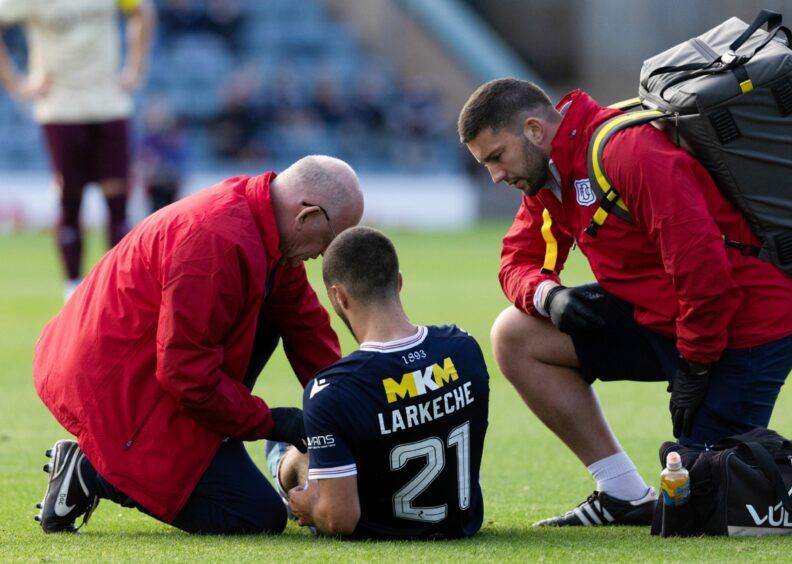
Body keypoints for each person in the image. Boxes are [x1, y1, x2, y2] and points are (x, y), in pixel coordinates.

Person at [457, 78, 792, 527]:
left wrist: (695, 366)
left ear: (533, 130)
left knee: (699, 501)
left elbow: (705, 272)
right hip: (669, 320)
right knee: (516, 335)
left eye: (496, 157)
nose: (496, 175)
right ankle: (622, 494)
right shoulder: (547, 175)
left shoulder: (626, 152)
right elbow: (517, 261)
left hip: (747, 324)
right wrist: (548, 295)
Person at [32, 155, 364, 535]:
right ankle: (93, 471)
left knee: (271, 311)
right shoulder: (217, 242)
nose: (325, 253)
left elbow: (304, 323)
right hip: (112, 385)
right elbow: (184, 373)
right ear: (306, 216)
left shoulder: (262, 222)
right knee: (256, 516)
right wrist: (274, 422)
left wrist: (341, 406)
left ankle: (204, 441)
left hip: (134, 362)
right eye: (329, 238)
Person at [265, 226, 490, 539]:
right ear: (399, 283)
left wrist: (305, 504)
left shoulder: (331, 391)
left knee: (294, 443)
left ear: (338, 296)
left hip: (378, 526)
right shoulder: (464, 347)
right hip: (457, 521)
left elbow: (339, 519)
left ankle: (280, 470)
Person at [0, 0, 156, 301]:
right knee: (70, 198)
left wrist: (136, 69)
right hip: (60, 107)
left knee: (117, 199)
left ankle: (120, 288)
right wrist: (15, 83)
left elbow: (142, 11)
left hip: (109, 103)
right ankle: (72, 291)